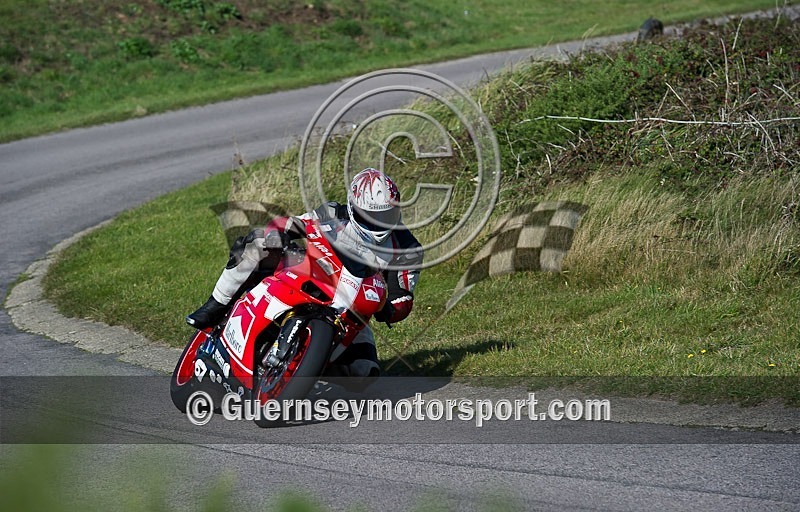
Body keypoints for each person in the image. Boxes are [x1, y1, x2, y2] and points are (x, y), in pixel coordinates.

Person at [186, 168, 423, 383]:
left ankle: (304, 369)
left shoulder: (407, 250)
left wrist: (390, 309)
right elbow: (298, 223)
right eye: (370, 216)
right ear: (353, 208)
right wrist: (281, 232)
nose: (378, 223)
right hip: (310, 275)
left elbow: (403, 295)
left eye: (386, 216)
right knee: (258, 242)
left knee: (365, 373)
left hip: (351, 311)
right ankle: (216, 304)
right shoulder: (333, 213)